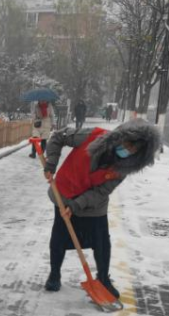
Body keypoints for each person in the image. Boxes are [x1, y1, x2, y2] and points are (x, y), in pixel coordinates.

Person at [42, 119, 159, 297]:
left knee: (101, 240)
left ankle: (103, 278)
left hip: (93, 203)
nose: (127, 151)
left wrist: (77, 205)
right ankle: (54, 275)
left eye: (133, 150)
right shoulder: (93, 136)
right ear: (120, 137)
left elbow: (101, 191)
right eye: (127, 145)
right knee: (60, 236)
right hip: (65, 192)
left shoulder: (124, 168)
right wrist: (51, 163)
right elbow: (59, 136)